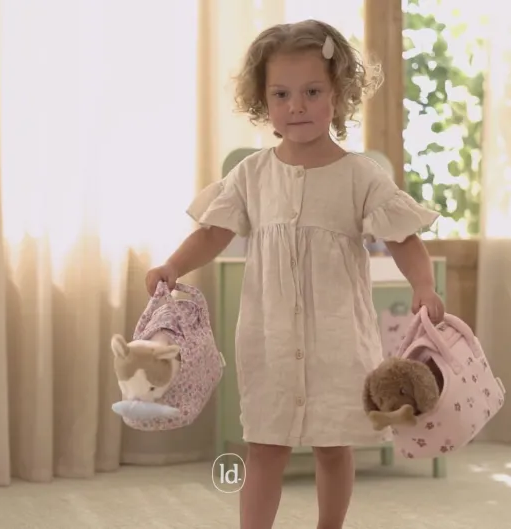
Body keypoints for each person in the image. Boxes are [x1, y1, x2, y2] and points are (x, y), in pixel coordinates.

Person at [146, 19, 445, 529]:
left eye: (312, 92)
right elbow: (214, 233)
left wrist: (423, 284)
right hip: (271, 341)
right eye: (281, 94)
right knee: (265, 446)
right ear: (263, 100)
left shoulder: (360, 176)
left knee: (334, 445)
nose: (296, 106)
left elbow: (403, 238)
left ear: (338, 95)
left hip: (338, 340)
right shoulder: (251, 175)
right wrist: (174, 265)